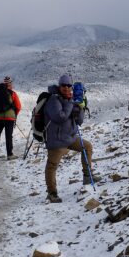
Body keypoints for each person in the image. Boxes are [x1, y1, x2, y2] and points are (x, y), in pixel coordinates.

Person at [42, 73, 93, 203]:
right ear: (59, 86)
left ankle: (88, 177)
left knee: (87, 147)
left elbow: (79, 121)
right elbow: (60, 117)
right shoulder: (53, 100)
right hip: (57, 140)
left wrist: (80, 105)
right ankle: (52, 193)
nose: (66, 88)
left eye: (69, 85)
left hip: (70, 137)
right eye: (63, 85)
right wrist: (71, 103)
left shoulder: (71, 99)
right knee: (52, 165)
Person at [0, 76, 21, 160]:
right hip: (9, 118)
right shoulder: (12, 93)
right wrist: (14, 115)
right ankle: (10, 155)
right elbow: (18, 106)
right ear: (10, 84)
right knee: (8, 136)